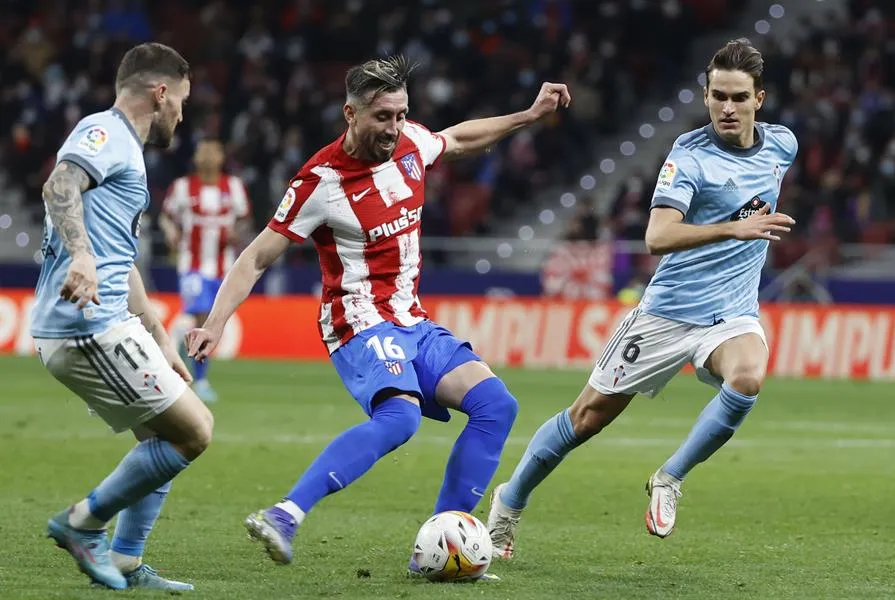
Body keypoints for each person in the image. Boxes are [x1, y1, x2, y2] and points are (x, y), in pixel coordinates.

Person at [186, 55, 570, 577]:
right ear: (351, 113)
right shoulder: (319, 183)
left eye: (400, 114)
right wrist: (215, 322)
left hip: (412, 319)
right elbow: (255, 257)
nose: (393, 128)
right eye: (381, 118)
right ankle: (285, 514)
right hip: (357, 321)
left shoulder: (410, 141)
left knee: (496, 405)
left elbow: (455, 140)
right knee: (401, 417)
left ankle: (443, 545)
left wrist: (527, 116)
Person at [487, 38, 798, 557]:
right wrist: (733, 229)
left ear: (758, 100)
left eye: (738, 97)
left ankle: (669, 478)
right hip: (668, 312)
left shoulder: (782, 145)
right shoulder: (689, 157)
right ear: (705, 96)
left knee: (748, 378)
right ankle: (508, 503)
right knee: (586, 418)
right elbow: (657, 236)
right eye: (717, 95)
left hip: (732, 312)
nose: (727, 107)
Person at [31, 42, 213, 591]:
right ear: (161, 94)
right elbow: (59, 184)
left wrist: (157, 330)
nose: (182, 113)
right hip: (87, 327)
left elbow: (119, 255)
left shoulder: (127, 152)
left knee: (162, 433)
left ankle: (129, 560)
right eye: (181, 100)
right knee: (194, 432)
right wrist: (81, 256)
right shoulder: (105, 133)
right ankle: (83, 523)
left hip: (111, 321)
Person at [159, 139, 252, 403]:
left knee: (207, 319)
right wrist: (170, 232)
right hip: (192, 265)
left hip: (223, 267)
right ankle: (199, 380)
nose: (209, 155)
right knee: (201, 318)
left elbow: (245, 220)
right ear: (196, 158)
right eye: (204, 151)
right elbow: (165, 216)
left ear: (222, 157)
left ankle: (176, 353)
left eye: (215, 151)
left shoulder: (233, 187)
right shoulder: (182, 187)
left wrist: (238, 233)